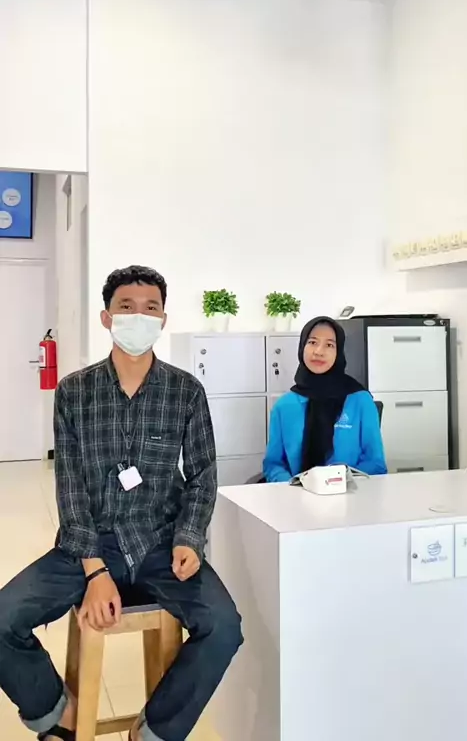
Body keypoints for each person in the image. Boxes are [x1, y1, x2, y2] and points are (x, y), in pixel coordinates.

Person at [0, 265, 243, 741]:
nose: (139, 317)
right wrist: (94, 571)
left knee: (223, 627)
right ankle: (56, 714)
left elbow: (202, 475)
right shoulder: (75, 391)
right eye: (126, 307)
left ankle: (155, 731)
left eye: (150, 308)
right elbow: (70, 486)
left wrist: (190, 538)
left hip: (161, 543)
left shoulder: (185, 391)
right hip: (88, 545)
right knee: (3, 619)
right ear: (107, 317)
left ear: (163, 320)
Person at [263, 316, 387, 482]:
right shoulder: (284, 406)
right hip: (297, 493)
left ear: (338, 352)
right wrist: (293, 486)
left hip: (351, 492)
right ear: (302, 347)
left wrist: (335, 483)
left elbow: (375, 463)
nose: (319, 351)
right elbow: (273, 464)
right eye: (312, 342)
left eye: (329, 345)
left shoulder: (360, 400)